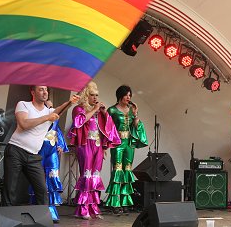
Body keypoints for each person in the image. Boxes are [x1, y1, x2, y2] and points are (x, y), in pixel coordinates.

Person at [3, 85, 79, 207]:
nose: (45, 92)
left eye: (46, 90)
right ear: (32, 92)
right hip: (16, 150)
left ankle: (41, 220)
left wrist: (70, 102)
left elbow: (60, 109)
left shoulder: (49, 112)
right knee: (10, 188)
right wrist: (46, 118)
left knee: (42, 190)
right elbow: (24, 124)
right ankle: (6, 221)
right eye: (41, 89)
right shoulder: (23, 104)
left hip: (33, 156)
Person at [67, 82, 121, 220]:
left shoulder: (98, 111)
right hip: (85, 144)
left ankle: (93, 207)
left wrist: (103, 113)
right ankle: (82, 209)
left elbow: (109, 128)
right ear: (86, 96)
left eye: (97, 95)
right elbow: (79, 122)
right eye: (92, 95)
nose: (95, 98)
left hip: (97, 145)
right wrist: (94, 109)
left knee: (95, 176)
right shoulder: (79, 109)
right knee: (87, 175)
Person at [105, 85, 148, 215]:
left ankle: (125, 203)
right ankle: (114, 203)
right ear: (120, 96)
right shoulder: (112, 110)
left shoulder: (131, 110)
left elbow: (135, 126)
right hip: (117, 143)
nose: (128, 97)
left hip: (128, 143)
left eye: (130, 95)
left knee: (127, 171)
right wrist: (106, 145)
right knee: (117, 170)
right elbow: (107, 128)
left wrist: (135, 115)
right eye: (126, 95)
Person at [28, 101, 68, 222]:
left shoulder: (54, 115)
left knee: (52, 177)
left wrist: (60, 144)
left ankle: (51, 210)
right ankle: (38, 209)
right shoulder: (37, 115)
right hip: (38, 149)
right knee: (38, 178)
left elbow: (57, 130)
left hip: (52, 150)